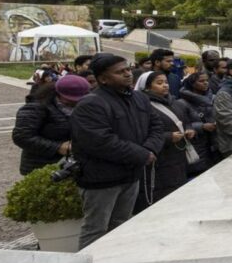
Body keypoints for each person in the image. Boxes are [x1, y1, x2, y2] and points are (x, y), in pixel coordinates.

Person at [69, 54, 164, 249]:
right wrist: (141, 155)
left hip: (131, 175)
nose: (128, 74)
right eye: (120, 72)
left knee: (121, 225)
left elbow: (156, 126)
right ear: (103, 79)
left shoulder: (139, 98)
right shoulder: (91, 104)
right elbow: (101, 142)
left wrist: (149, 149)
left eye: (128, 69)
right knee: (96, 230)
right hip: (101, 179)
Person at [133, 71, 193, 213]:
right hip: (159, 159)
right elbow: (141, 132)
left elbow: (186, 121)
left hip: (178, 156)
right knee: (160, 197)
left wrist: (190, 129)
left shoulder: (175, 103)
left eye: (165, 82)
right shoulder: (142, 106)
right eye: (159, 83)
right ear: (146, 87)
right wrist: (168, 137)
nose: (165, 86)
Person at [13, 74, 87, 175]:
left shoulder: (85, 107)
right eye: (69, 99)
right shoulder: (36, 108)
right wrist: (57, 147)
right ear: (57, 93)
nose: (75, 102)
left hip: (72, 165)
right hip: (40, 166)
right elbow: (21, 136)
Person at [173, 72, 216, 176]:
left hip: (213, 143)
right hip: (196, 144)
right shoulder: (182, 103)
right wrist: (201, 126)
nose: (205, 83)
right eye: (201, 81)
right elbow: (181, 125)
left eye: (207, 80)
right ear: (192, 84)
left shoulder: (213, 98)